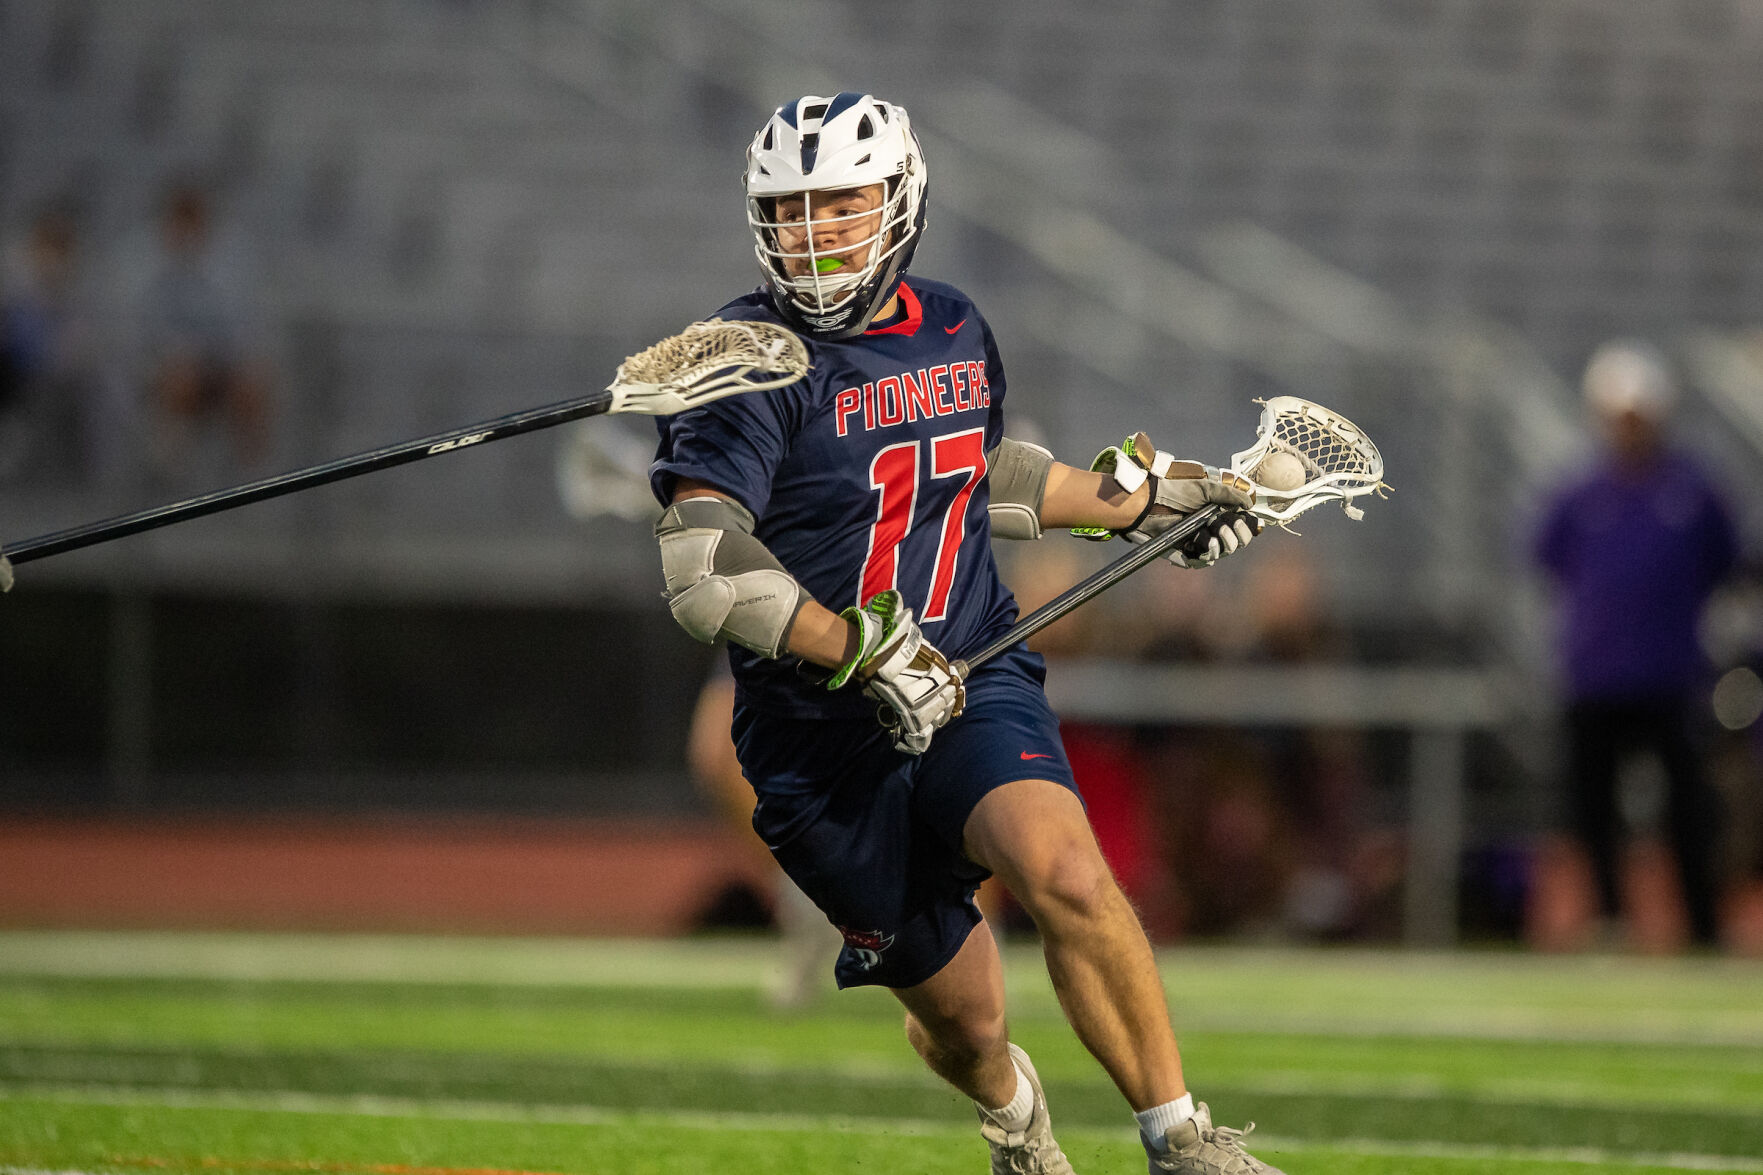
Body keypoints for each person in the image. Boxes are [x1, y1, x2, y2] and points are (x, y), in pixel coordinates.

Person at [648, 93, 1280, 1174]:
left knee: (1068, 873)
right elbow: (702, 568)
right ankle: (1012, 1117)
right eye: (788, 210)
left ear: (898, 201)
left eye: (839, 204)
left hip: (971, 671)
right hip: (820, 738)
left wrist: (1144, 501)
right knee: (965, 1020)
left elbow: (978, 476)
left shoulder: (951, 325)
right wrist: (852, 644)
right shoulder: (741, 364)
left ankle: (1182, 1142)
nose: (813, 233)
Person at [1534, 340, 1740, 949]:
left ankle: (1703, 924)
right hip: (1595, 676)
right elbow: (1550, 560)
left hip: (1671, 675)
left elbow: (1724, 561)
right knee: (1593, 808)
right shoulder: (1580, 496)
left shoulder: (1692, 492)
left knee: (1688, 810)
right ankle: (1609, 917)